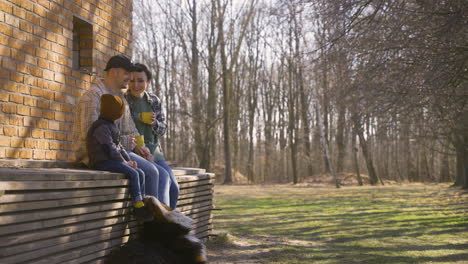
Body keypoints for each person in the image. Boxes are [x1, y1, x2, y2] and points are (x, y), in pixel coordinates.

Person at [72, 54, 160, 199]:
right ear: (113, 72)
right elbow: (91, 137)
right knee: (151, 172)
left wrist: (141, 148)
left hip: (117, 152)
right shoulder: (93, 97)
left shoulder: (120, 98)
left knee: (160, 173)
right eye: (127, 73)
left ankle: (161, 216)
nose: (130, 77)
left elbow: (131, 128)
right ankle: (149, 218)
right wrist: (125, 143)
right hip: (96, 158)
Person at [86, 94, 153, 222]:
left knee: (140, 172)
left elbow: (119, 147)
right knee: (133, 174)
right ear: (113, 112)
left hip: (111, 160)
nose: (121, 115)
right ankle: (137, 206)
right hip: (101, 161)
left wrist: (128, 160)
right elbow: (109, 148)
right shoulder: (101, 127)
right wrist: (124, 163)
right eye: (120, 112)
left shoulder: (111, 125)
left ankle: (142, 201)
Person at [126, 63, 179, 209]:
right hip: (136, 151)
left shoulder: (154, 100)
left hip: (155, 151)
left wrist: (154, 123)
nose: (136, 84)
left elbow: (163, 130)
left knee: (174, 187)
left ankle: (170, 222)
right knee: (163, 178)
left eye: (140, 80)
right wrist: (137, 118)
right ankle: (160, 223)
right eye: (132, 80)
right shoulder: (124, 100)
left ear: (147, 82)